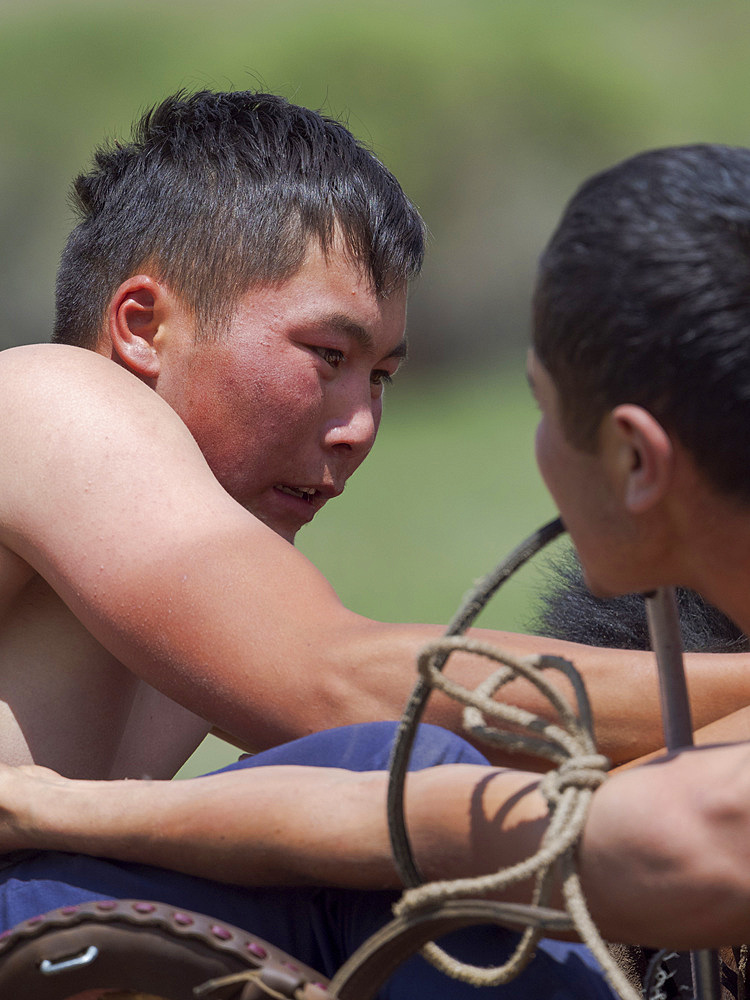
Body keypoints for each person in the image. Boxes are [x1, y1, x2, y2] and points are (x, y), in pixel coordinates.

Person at [7, 142, 750, 982]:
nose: (360, 426)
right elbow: (347, 691)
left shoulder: (173, 565)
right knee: (407, 788)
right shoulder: (47, 398)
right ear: (143, 326)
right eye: (328, 356)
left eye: (383, 377)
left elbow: (609, 810)